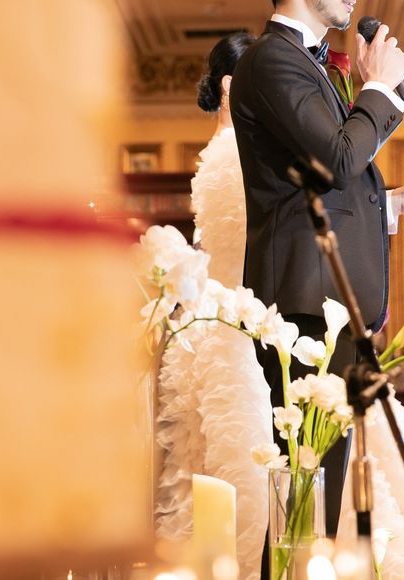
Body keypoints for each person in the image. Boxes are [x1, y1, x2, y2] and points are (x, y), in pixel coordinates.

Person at [229, 0, 404, 537]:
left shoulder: (304, 61)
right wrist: (377, 86)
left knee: (318, 502)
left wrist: (393, 203)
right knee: (305, 503)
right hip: (304, 310)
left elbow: (323, 187)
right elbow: (339, 159)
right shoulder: (271, 58)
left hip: (324, 305)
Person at [155, 33, 273, 580]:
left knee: (208, 455)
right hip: (236, 310)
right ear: (232, 86)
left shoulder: (218, 150)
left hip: (215, 309)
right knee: (238, 448)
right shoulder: (239, 152)